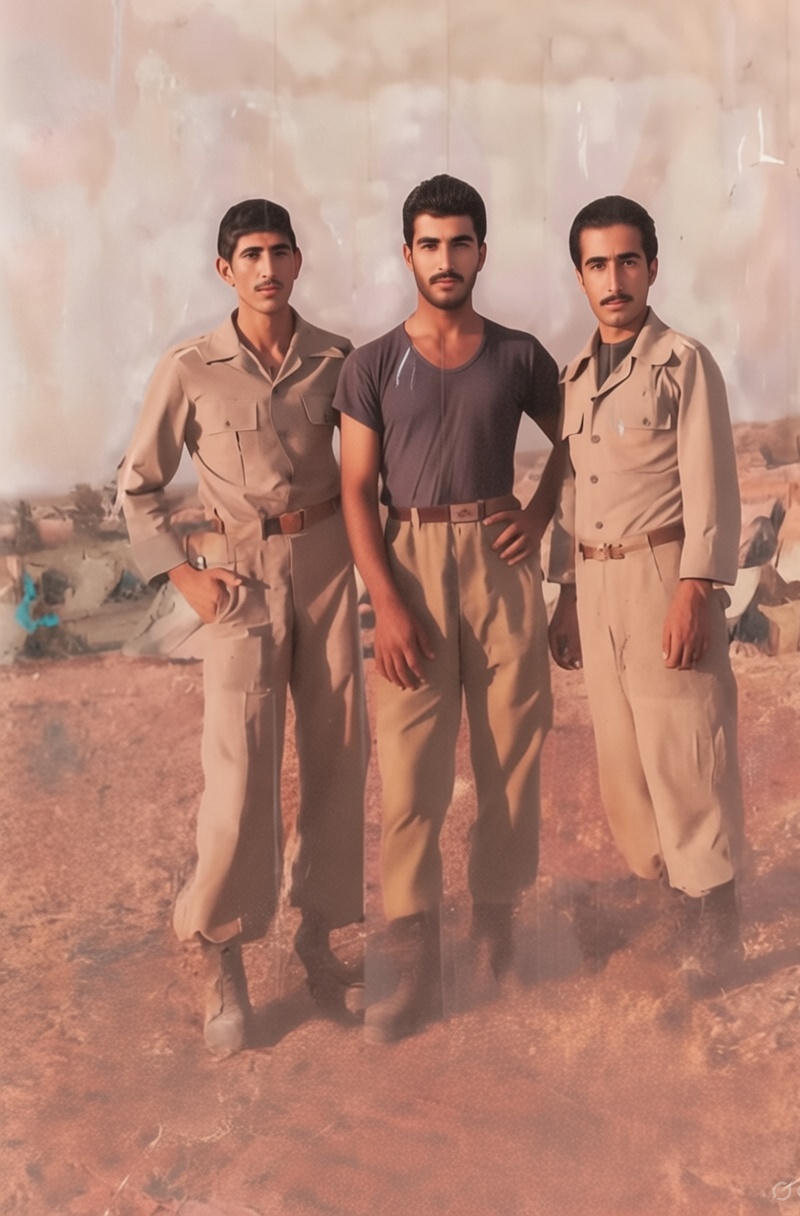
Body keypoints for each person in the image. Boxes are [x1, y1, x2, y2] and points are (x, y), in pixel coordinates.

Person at [118, 199, 368, 1055]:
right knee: (239, 771)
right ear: (225, 270)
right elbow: (138, 485)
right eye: (251, 255)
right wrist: (183, 575)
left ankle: (319, 938)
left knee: (339, 754)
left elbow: (371, 468)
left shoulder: (336, 359)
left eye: (280, 252)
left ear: (298, 262)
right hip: (240, 580)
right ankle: (222, 954)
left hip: (327, 565)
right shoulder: (190, 368)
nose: (268, 268)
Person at [337, 174, 561, 1042]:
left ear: (481, 251)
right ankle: (417, 967)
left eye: (459, 242)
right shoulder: (371, 365)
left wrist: (539, 514)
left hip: (501, 564)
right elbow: (357, 490)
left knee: (512, 759)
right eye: (429, 244)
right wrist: (385, 602)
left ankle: (496, 932)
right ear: (407, 253)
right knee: (410, 776)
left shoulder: (519, 354)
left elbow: (577, 438)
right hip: (412, 566)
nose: (445, 259)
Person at [547, 195, 744, 979]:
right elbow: (573, 493)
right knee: (624, 766)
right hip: (596, 586)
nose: (614, 279)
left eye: (627, 261)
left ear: (652, 267)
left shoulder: (683, 363)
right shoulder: (572, 378)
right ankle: (674, 895)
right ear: (580, 277)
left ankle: (715, 921)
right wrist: (566, 594)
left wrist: (695, 588)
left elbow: (712, 483)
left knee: (685, 749)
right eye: (597, 264)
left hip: (663, 574)